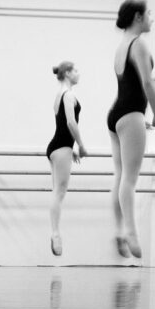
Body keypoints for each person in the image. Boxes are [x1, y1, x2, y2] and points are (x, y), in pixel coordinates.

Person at [107, 0, 155, 260]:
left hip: (117, 114)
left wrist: (140, 120)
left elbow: (130, 85)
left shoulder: (122, 45)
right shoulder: (138, 44)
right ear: (138, 17)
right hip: (130, 114)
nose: (152, 18)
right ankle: (130, 232)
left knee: (120, 176)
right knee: (129, 179)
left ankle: (119, 231)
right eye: (148, 13)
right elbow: (147, 83)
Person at [44, 60, 89, 256]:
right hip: (62, 147)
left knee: (57, 192)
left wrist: (72, 148)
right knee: (59, 193)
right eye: (76, 70)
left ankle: (55, 233)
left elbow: (63, 124)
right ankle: (55, 234)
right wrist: (81, 145)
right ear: (68, 73)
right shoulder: (69, 95)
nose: (78, 73)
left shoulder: (59, 95)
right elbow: (70, 123)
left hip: (57, 147)